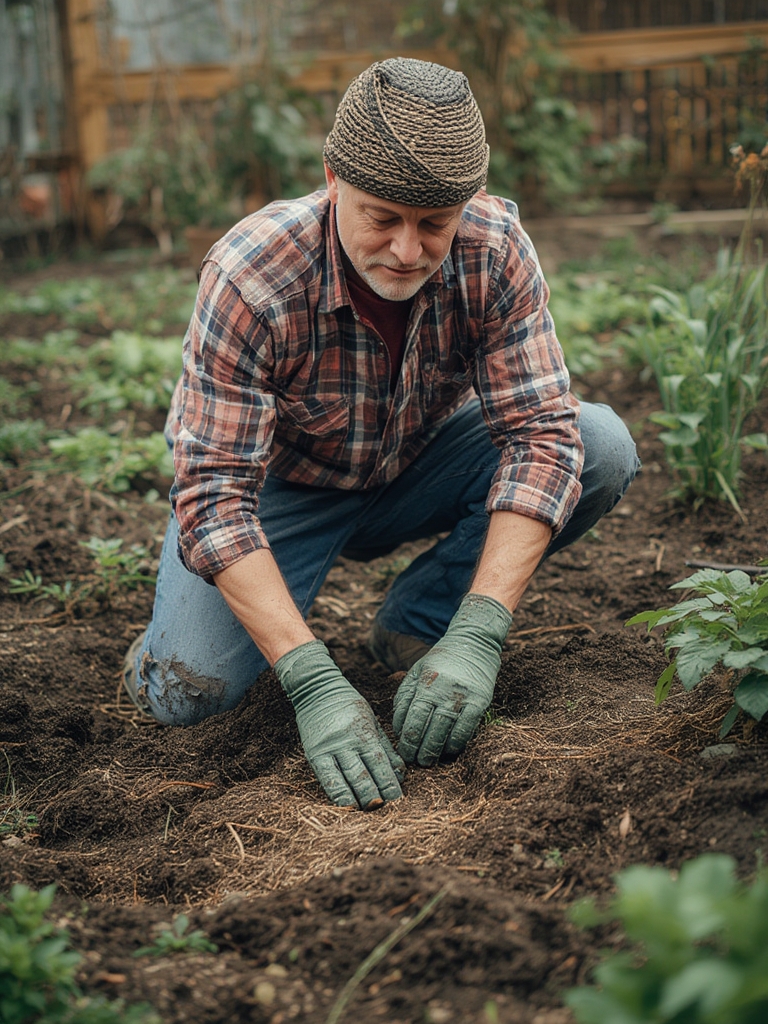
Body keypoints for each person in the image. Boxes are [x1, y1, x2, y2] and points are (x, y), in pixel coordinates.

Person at [123, 57, 639, 810]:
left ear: (473, 200)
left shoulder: (494, 250)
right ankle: (169, 640)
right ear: (332, 179)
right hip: (279, 489)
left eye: (434, 224)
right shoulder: (253, 274)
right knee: (191, 696)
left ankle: (421, 622)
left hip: (417, 461)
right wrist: (308, 679)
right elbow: (215, 496)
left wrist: (483, 632)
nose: (406, 251)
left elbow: (541, 439)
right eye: (381, 218)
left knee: (599, 446)